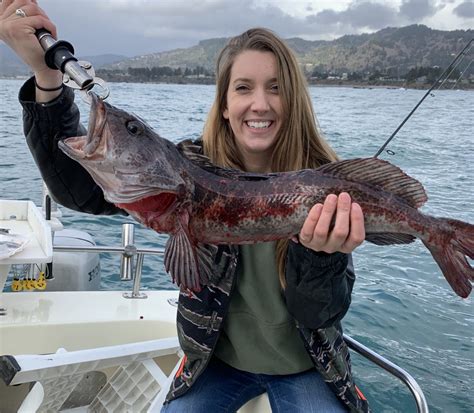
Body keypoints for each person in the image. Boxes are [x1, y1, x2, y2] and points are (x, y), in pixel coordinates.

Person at [0, 1, 369, 412]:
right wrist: (47, 79)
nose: (260, 103)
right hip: (214, 364)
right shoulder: (184, 172)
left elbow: (320, 313)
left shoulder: (326, 190)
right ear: (225, 104)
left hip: (309, 367)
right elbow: (78, 191)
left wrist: (323, 256)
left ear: (294, 100)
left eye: (276, 87)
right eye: (243, 87)